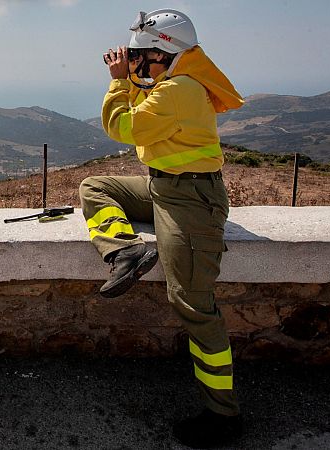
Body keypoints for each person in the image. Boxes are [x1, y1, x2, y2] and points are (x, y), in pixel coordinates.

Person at [80, 9, 245, 448]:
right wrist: (132, 77)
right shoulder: (173, 83)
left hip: (190, 200)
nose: (135, 66)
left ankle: (223, 413)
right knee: (96, 186)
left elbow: (122, 125)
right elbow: (142, 107)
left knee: (192, 302)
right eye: (133, 60)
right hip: (164, 187)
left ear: (165, 53)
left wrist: (117, 81)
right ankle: (124, 250)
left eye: (141, 58)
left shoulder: (179, 90)